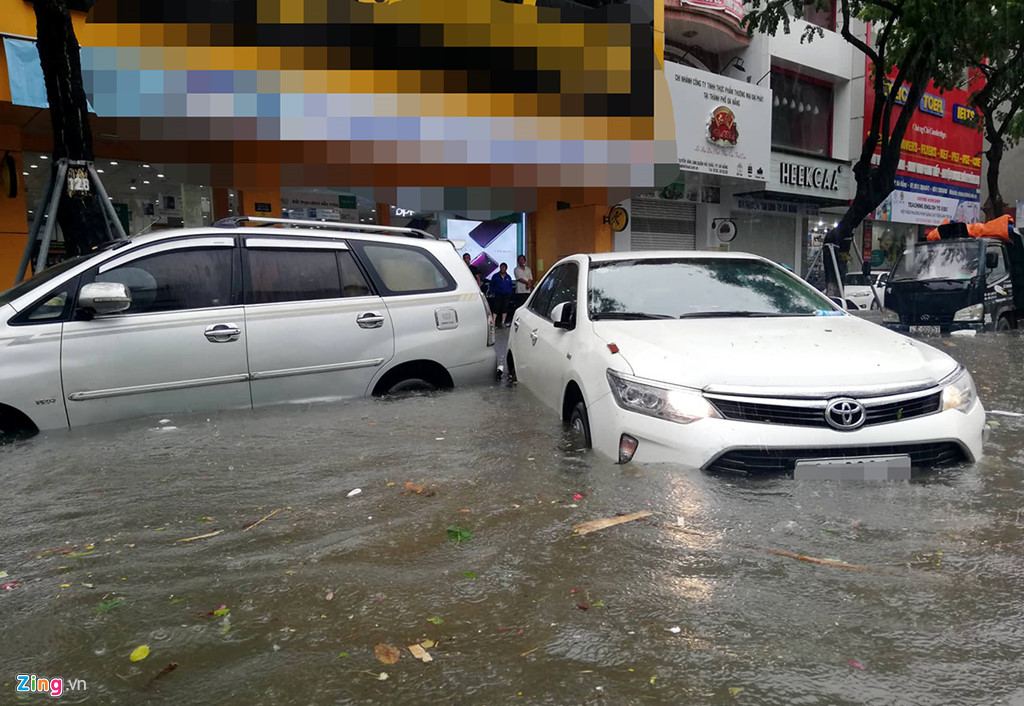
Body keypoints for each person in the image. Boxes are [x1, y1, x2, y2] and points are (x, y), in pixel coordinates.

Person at [489, 262, 516, 327]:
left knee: (505, 307)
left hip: (506, 294)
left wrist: (510, 293)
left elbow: (510, 286)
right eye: (501, 267)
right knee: (496, 308)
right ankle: (494, 322)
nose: (502, 268)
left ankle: (503, 322)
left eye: (504, 267)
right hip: (498, 294)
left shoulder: (508, 277)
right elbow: (492, 285)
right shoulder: (495, 276)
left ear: (506, 268)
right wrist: (492, 292)